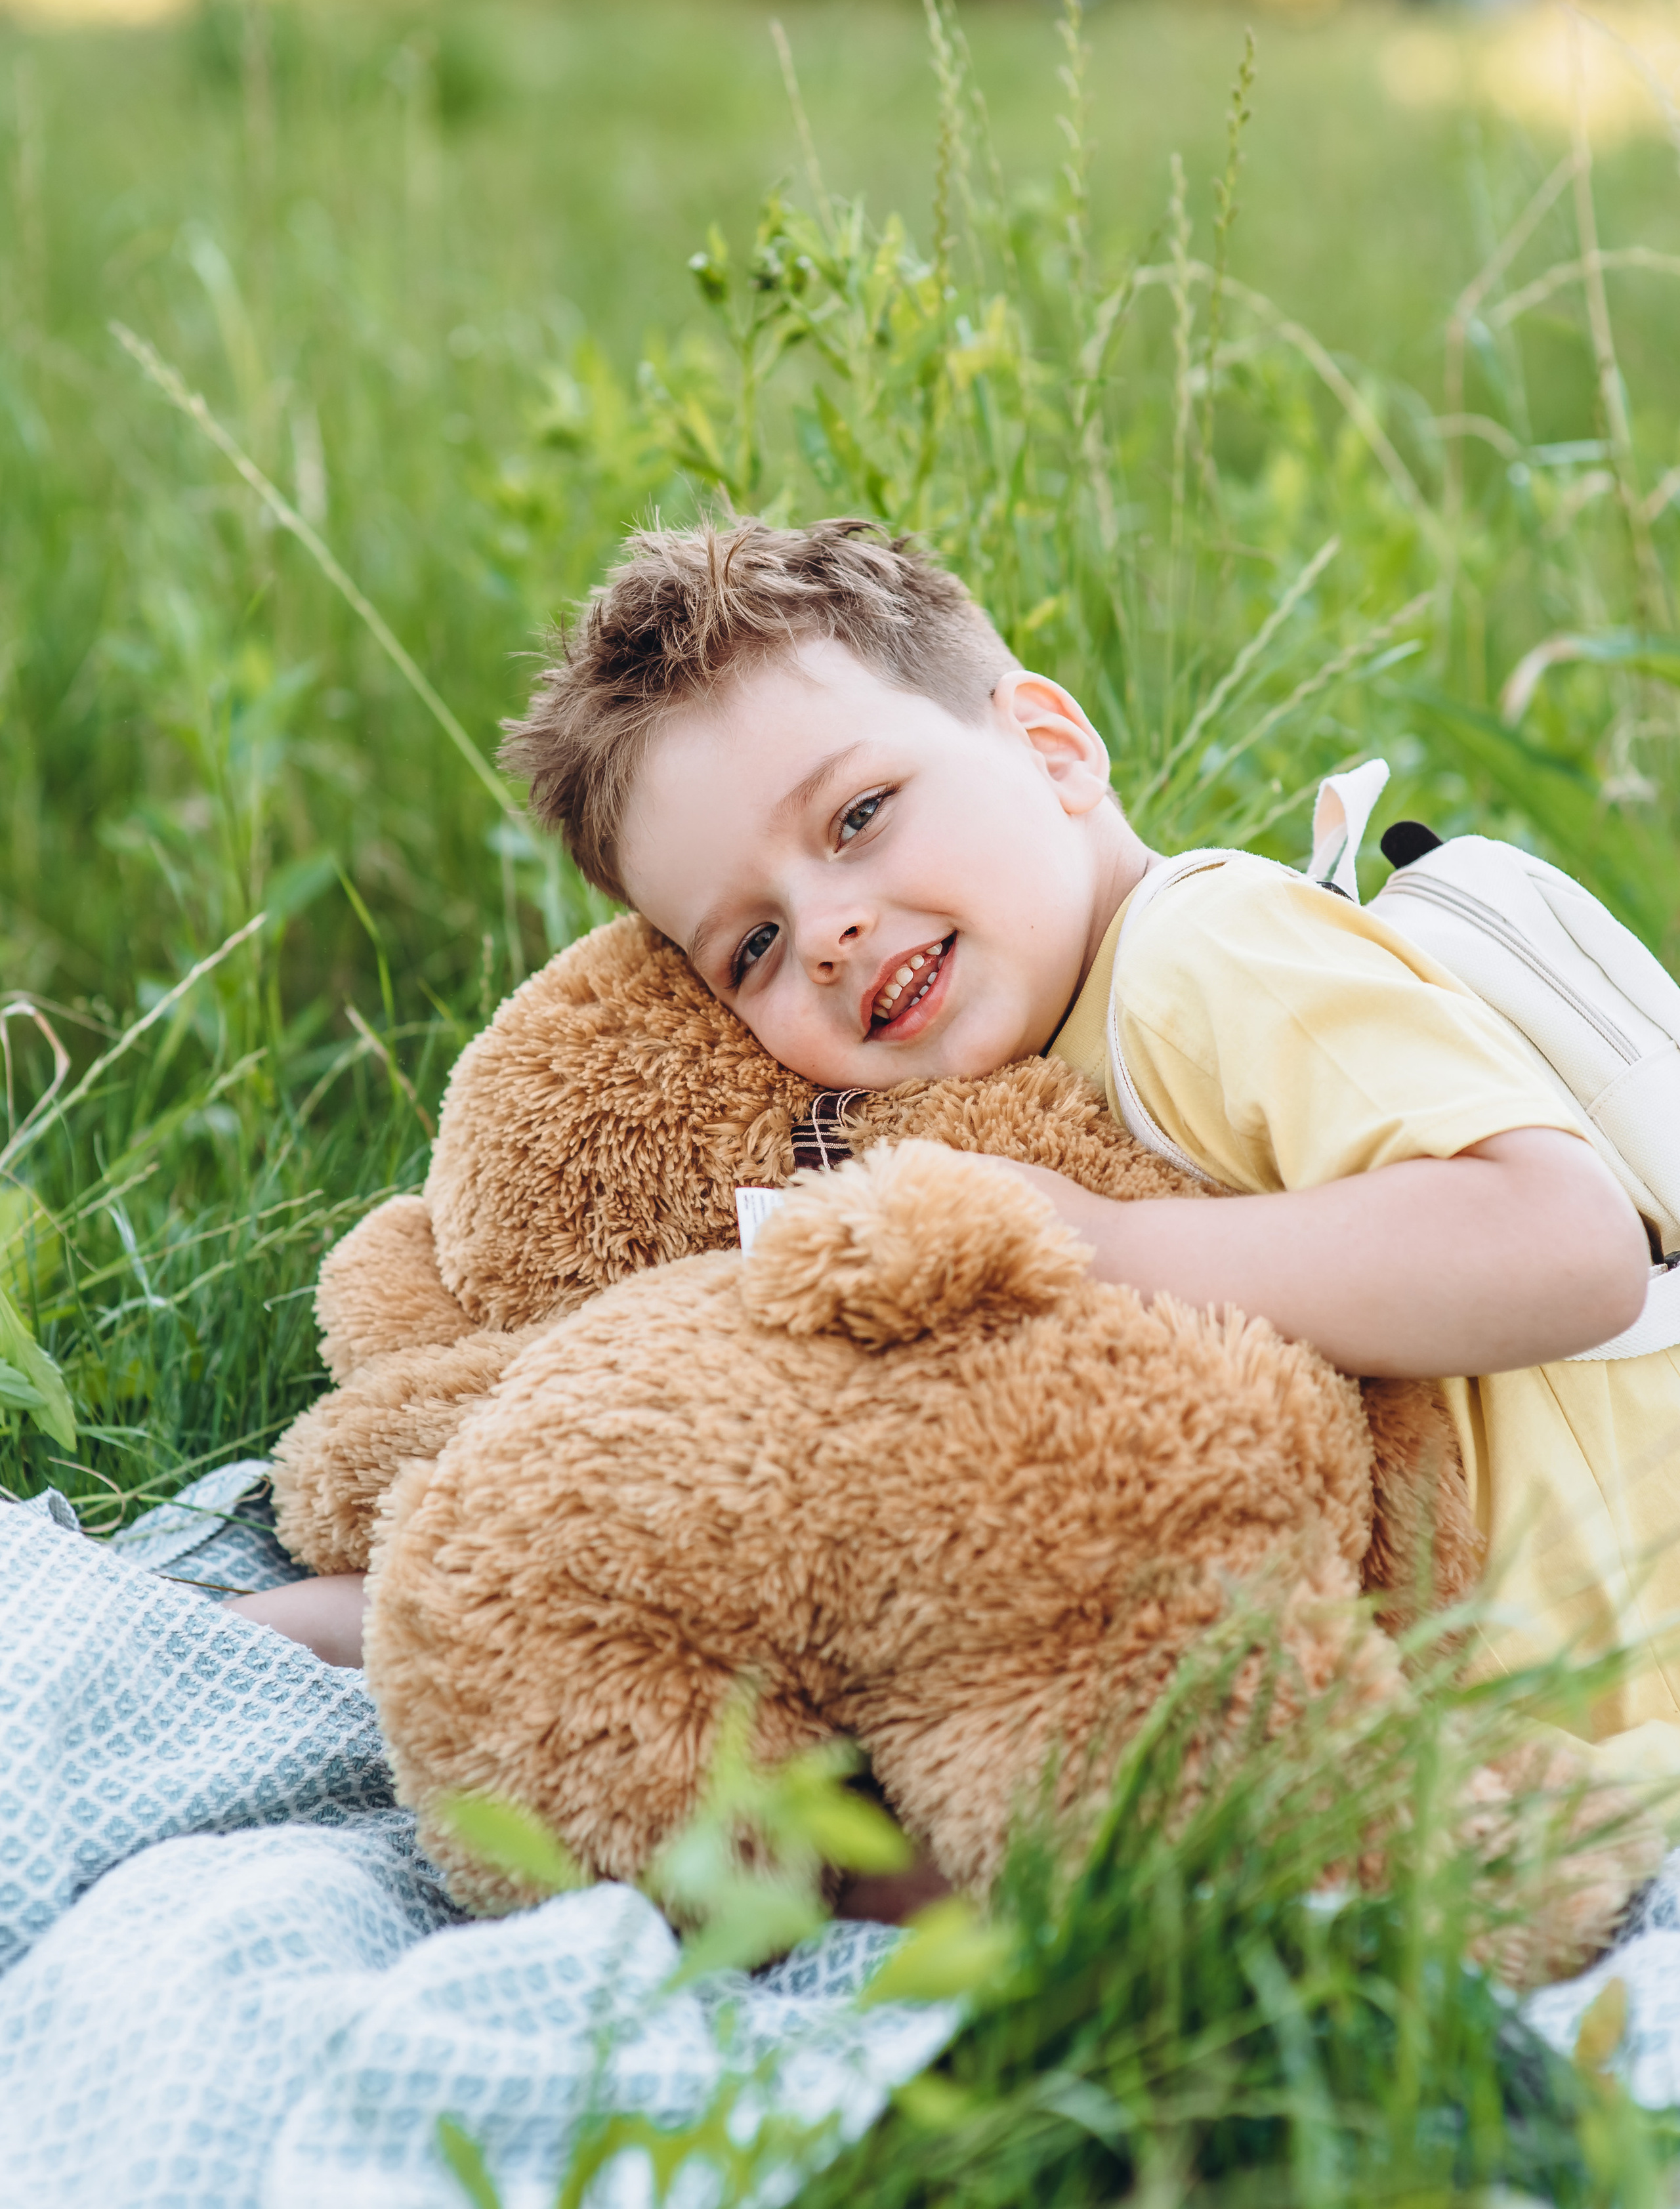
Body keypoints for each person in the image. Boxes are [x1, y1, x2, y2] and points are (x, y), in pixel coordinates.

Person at [238, 516, 1680, 1796]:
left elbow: (1565, 1245)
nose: (824, 931)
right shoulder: (1020, 1069)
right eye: (749, 944)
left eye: (857, 816)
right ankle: (392, 1613)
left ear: (1049, 750)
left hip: (1598, 1669)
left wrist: (1094, 1245)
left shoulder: (1204, 959)